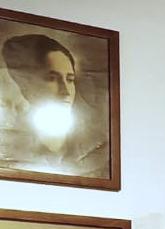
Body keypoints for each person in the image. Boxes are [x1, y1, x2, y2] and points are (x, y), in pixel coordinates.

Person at [0, 33, 106, 177]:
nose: (66, 91)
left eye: (70, 79)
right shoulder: (8, 145)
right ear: (25, 85)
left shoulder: (99, 145)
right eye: (52, 79)